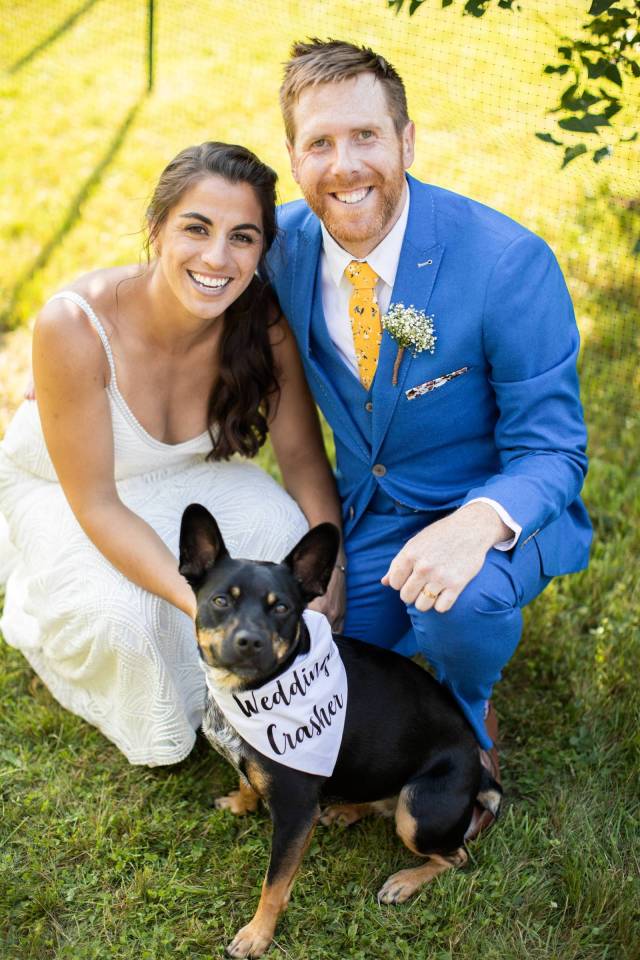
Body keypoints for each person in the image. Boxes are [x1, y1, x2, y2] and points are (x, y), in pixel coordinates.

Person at [266, 39, 592, 833]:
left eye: (366, 137)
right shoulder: (279, 247)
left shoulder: (508, 264)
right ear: (295, 157)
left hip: (486, 511)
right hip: (368, 517)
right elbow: (182, 276)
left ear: (407, 142)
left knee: (458, 603)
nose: (344, 166)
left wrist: (477, 525)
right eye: (320, 144)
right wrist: (93, 330)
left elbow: (555, 450)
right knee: (300, 653)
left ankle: (472, 723)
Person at [0, 141, 344, 767]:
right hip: (68, 491)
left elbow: (300, 458)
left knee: (284, 531)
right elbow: (98, 505)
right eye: (196, 228)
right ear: (157, 229)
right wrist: (205, 607)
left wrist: (335, 570)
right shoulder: (74, 326)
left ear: (262, 248)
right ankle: (42, 614)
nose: (217, 258)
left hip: (187, 478)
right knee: (124, 616)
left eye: (242, 237)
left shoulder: (260, 320)